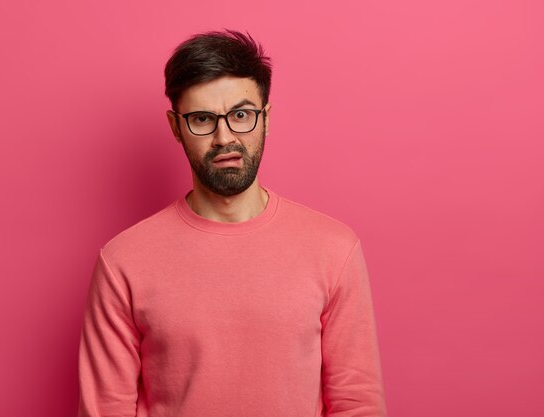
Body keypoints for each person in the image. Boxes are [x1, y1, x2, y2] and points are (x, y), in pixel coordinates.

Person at [78, 30, 387, 417]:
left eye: (241, 115)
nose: (225, 138)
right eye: (203, 119)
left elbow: (356, 403)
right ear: (175, 127)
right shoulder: (123, 261)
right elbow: (106, 410)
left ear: (266, 119)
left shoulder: (334, 248)